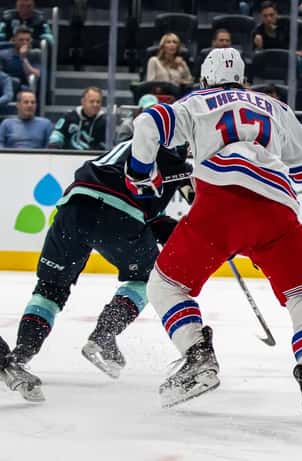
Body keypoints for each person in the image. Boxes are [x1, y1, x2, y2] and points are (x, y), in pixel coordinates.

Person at [128, 48, 302, 421]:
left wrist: (141, 172)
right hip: (276, 207)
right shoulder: (276, 107)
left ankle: (197, 357)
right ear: (242, 78)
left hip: (220, 205)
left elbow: (148, 123)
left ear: (206, 78)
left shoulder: (196, 102)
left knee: (165, 286)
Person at [0, 140, 193, 402]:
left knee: (50, 288)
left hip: (74, 206)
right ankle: (104, 334)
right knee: (147, 279)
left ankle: (19, 357)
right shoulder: (177, 161)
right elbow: (157, 214)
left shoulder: (134, 142)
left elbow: (144, 208)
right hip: (120, 213)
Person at [48, 86, 107, 150]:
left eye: (98, 102)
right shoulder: (68, 117)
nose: (95, 105)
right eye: (92, 101)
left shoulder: (104, 122)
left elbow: (105, 146)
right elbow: (56, 137)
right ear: (83, 102)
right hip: (67, 157)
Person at [0, 26, 40, 91]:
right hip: (5, 86)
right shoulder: (3, 54)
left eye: (28, 40)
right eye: (21, 40)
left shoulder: (35, 54)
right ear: (14, 40)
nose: (25, 42)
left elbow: (36, 75)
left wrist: (23, 58)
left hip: (23, 89)